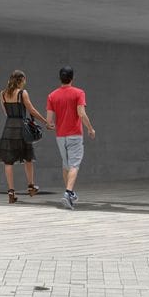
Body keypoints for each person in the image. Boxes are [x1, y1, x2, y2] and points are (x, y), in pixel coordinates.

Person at [45, 66, 97, 209]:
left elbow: (49, 120)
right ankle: (68, 193)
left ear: (60, 78)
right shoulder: (79, 93)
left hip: (60, 136)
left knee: (66, 164)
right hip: (74, 134)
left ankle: (71, 192)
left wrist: (50, 125)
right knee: (74, 164)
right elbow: (81, 113)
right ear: (72, 78)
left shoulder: (52, 95)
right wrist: (90, 129)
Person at [0, 70, 47, 202]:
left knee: (8, 161)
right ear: (21, 80)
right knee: (28, 158)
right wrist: (46, 121)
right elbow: (32, 110)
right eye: (24, 79)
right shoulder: (22, 93)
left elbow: (6, 113)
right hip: (21, 128)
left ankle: (11, 193)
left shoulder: (2, 94)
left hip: (9, 128)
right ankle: (31, 187)